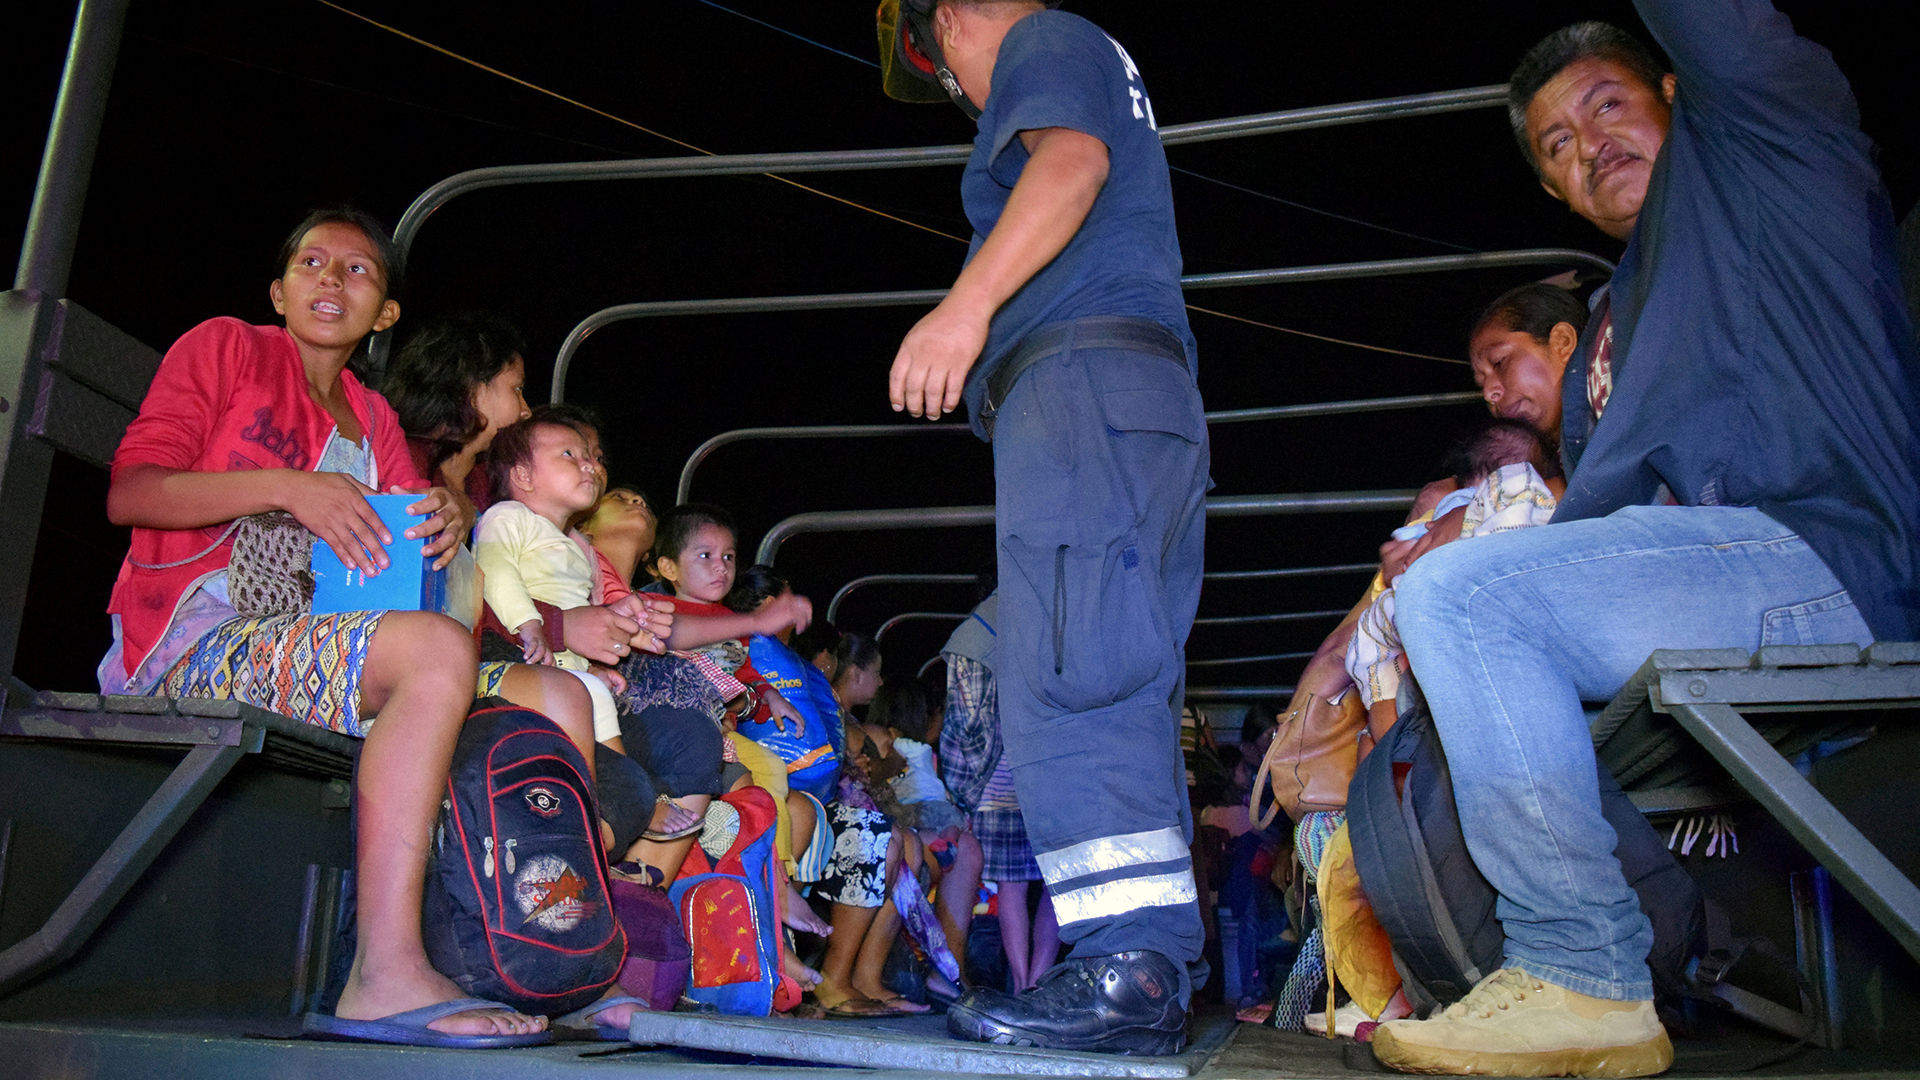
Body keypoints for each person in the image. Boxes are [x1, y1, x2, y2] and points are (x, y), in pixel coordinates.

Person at [1370, 2, 1919, 1074]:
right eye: (1559, 147)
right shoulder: (1616, 325)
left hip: (1825, 554)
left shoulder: (1767, 145)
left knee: (1469, 600)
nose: (1591, 146)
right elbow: (1601, 526)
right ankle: (1633, 967)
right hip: (1717, 588)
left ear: (1680, 92)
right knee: (1454, 633)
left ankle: (1584, 971)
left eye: (1608, 105)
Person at [101, 208, 546, 1045]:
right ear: (278, 289)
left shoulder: (370, 415)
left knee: (501, 708)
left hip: (316, 643)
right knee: (437, 654)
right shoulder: (228, 347)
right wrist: (288, 486)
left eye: (358, 270)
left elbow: (395, 539)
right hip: (196, 638)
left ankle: (523, 958)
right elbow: (133, 491)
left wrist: (442, 520)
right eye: (312, 262)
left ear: (385, 314)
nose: (331, 279)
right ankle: (381, 973)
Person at [879, 0, 1208, 1053]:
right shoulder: (1090, 50)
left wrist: (963, 310)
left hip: (1077, 381)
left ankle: (1127, 965)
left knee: (1072, 664)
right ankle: (1143, 961)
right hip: (1125, 394)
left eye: (939, 66)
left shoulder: (1041, 42)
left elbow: (1068, 164)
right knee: (1113, 660)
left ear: (959, 13)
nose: (959, 95)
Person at [473, 417, 625, 752]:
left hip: (564, 667)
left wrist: (594, 665)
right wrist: (529, 625)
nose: (589, 465)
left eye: (590, 457)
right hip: (514, 656)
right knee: (591, 697)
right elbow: (494, 570)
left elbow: (579, 614)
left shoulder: (577, 546)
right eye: (569, 454)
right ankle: (604, 793)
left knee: (599, 697)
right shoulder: (508, 517)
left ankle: (613, 788)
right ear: (524, 476)